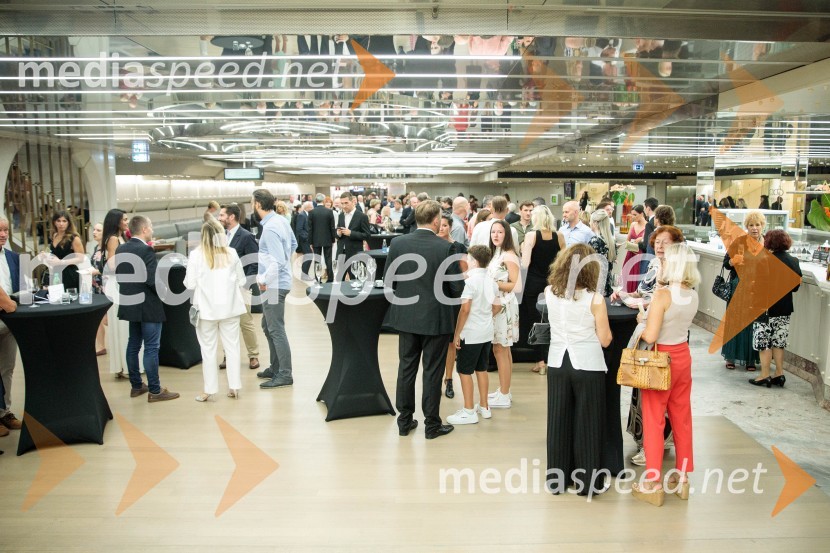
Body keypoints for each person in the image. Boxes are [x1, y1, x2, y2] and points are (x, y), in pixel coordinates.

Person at [385, 200, 463, 440]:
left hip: (406, 316)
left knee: (406, 368)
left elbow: (389, 281)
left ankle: (404, 421)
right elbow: (456, 287)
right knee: (432, 371)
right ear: (436, 220)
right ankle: (432, 424)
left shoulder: (398, 243)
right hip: (436, 319)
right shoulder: (445, 248)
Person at [631, 243, 700, 506]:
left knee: (653, 419)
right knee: (682, 418)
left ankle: (652, 481)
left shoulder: (662, 295)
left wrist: (643, 320)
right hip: (683, 357)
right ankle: (682, 478)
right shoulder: (692, 295)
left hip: (660, 361)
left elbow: (651, 335)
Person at [544, 243, 612, 496]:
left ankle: (556, 481)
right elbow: (605, 339)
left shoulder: (550, 292)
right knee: (588, 423)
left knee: (558, 421)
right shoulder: (595, 299)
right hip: (588, 365)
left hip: (558, 362)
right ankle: (587, 483)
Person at [114, 216, 180, 402]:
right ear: (144, 230)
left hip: (130, 303)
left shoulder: (121, 248)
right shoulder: (146, 250)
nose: (152, 229)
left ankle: (136, 386)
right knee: (151, 347)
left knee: (133, 344)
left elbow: (119, 276)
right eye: (150, 226)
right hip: (148, 305)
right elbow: (152, 280)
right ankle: (155, 390)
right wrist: (165, 292)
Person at [185, 219, 248, 401]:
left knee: (208, 350)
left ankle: (209, 390)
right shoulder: (231, 253)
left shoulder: (196, 255)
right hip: (230, 309)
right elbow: (242, 280)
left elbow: (189, 283)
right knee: (233, 348)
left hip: (206, 311)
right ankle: (234, 387)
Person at [447, 245, 500, 425]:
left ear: (475, 262)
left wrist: (457, 334)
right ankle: (484, 407)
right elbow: (497, 306)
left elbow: (465, 309)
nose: (467, 262)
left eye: (469, 259)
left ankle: (469, 410)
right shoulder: (492, 281)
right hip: (486, 332)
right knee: (481, 369)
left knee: (463, 371)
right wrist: (486, 316)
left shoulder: (469, 282)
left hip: (470, 333)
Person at [252, 189, 297, 389]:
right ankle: (276, 366)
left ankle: (284, 373)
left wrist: (263, 279)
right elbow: (293, 244)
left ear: (258, 204)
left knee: (276, 329)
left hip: (273, 285)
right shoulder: (281, 221)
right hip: (280, 282)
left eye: (252, 202)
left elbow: (277, 261)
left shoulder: (270, 228)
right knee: (267, 325)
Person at [749, 229, 802, 388]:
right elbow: (795, 288)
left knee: (764, 343)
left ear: (769, 242)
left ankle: (764, 375)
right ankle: (779, 373)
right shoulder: (794, 261)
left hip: (765, 309)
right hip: (784, 309)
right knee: (779, 342)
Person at [520, 205, 565, 374]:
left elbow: (525, 263)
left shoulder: (531, 235)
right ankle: (552, 358)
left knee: (536, 321)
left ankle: (540, 362)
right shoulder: (559, 236)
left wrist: (523, 248)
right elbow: (564, 262)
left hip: (533, 284)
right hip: (552, 284)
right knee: (553, 321)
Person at [219, 203, 261, 371]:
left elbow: (254, 262)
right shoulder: (221, 236)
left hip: (241, 287)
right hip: (224, 287)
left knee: (245, 322)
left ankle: (253, 355)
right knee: (226, 322)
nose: (219, 218)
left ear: (232, 217)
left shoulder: (246, 236)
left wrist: (246, 285)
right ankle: (227, 355)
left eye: (222, 215)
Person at [721, 211, 763, 372]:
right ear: (746, 227)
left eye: (757, 225)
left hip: (757, 288)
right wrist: (733, 261)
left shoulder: (766, 243)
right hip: (738, 286)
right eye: (751, 225)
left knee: (753, 324)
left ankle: (750, 359)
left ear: (762, 226)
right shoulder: (739, 242)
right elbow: (726, 263)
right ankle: (731, 356)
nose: (754, 228)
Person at [487, 220, 521, 409]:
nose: (496, 235)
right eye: (493, 232)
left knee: (501, 349)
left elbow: (516, 286)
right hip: (497, 304)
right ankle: (503, 389)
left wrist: (492, 284)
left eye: (500, 232)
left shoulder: (509, 255)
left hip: (505, 305)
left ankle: (505, 394)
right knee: (501, 349)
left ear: (506, 234)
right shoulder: (496, 254)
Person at [438, 214, 468, 399]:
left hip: (454, 297)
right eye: (439, 225)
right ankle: (436, 379)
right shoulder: (431, 245)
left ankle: (449, 379)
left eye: (444, 226)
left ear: (450, 227)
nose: (441, 228)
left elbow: (465, 271)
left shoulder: (458, 246)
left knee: (451, 341)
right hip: (436, 298)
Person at [99, 209, 131, 379]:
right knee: (121, 325)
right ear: (117, 222)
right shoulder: (113, 239)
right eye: (124, 219)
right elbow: (112, 265)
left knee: (122, 326)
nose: (127, 221)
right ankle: (124, 366)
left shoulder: (121, 237)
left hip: (119, 282)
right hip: (117, 283)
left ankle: (124, 365)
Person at [0, 216, 21, 433]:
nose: (4, 234)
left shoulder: (12, 257)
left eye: (6, 230)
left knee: (7, 368)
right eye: (0, 230)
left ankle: (4, 412)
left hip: (9, 321)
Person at [335, 191, 371, 278]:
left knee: (355, 280)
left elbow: (367, 235)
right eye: (342, 203)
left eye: (346, 203)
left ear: (353, 201)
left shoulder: (362, 216)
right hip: (340, 252)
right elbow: (337, 234)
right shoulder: (340, 216)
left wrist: (351, 233)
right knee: (339, 279)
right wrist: (338, 234)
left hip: (354, 252)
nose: (344, 206)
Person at [48, 210, 85, 291]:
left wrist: (61, 262)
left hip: (70, 273)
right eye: (58, 221)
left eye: (64, 221)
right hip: (56, 273)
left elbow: (81, 258)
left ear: (68, 223)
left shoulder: (74, 238)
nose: (61, 224)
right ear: (54, 222)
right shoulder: (54, 235)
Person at [309, 193, 337, 283]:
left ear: (315, 200)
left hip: (315, 240)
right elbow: (332, 227)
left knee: (317, 259)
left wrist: (310, 242)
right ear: (323, 201)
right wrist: (333, 239)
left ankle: (318, 278)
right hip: (327, 239)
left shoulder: (312, 212)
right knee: (328, 259)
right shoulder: (329, 211)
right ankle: (330, 278)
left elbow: (310, 228)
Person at [588, 209, 617, 297]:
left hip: (596, 284)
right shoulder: (611, 241)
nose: (589, 223)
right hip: (607, 283)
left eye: (591, 221)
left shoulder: (595, 241)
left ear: (595, 223)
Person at [90, 222, 107, 355]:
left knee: (107, 319)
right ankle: (100, 346)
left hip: (105, 286)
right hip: (96, 286)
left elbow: (108, 268)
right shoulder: (96, 248)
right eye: (94, 230)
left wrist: (96, 272)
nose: (94, 232)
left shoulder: (107, 249)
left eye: (98, 230)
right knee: (99, 319)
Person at [622, 205, 646, 293]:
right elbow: (627, 240)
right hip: (630, 253)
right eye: (632, 215)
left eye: (635, 215)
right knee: (627, 274)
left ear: (642, 214)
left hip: (639, 255)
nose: (633, 217)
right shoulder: (633, 224)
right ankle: (625, 294)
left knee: (637, 275)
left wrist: (641, 240)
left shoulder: (648, 226)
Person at [637, 197, 659, 273]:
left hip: (651, 259)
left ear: (648, 208)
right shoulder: (656, 221)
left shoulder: (649, 224)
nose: (643, 210)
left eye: (644, 208)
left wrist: (638, 244)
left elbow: (646, 245)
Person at [296, 201, 313, 280]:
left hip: (308, 240)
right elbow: (299, 229)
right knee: (308, 256)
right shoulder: (302, 215)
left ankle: (304, 274)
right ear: (307, 207)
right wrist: (306, 237)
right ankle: (304, 275)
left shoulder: (308, 214)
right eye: (311, 207)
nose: (312, 208)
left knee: (308, 256)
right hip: (305, 240)